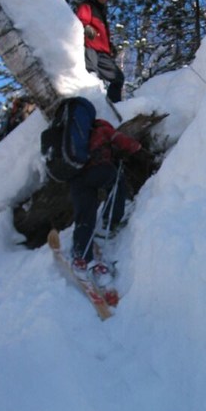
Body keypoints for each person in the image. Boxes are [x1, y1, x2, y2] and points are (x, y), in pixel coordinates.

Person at [70, 117, 141, 288]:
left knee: (84, 215)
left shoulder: (77, 137)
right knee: (117, 182)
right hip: (98, 169)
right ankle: (112, 220)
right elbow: (124, 142)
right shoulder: (103, 129)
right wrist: (138, 147)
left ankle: (82, 256)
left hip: (76, 178)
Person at [76, 0, 124, 103]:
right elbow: (80, 20)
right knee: (91, 75)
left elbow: (103, 34)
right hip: (90, 47)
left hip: (103, 52)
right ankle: (92, 103)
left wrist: (110, 46)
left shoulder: (102, 13)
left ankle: (114, 105)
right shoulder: (88, 6)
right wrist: (86, 27)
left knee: (118, 78)